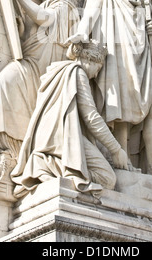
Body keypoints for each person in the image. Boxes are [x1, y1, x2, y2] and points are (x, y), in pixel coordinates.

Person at [66, 0, 152, 182]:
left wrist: (150, 31)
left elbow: (144, 36)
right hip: (115, 58)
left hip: (141, 60)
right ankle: (121, 159)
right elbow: (89, 17)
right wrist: (82, 33)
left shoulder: (139, 4)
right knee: (120, 110)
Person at [0, 0, 80, 201]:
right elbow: (34, 31)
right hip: (32, 61)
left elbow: (45, 19)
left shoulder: (62, 5)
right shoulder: (43, 5)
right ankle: (17, 158)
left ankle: (24, 164)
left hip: (48, 68)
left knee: (9, 82)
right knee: (5, 80)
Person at [11, 40, 129, 198]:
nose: (96, 74)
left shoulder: (59, 70)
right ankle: (43, 164)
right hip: (61, 137)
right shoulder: (77, 72)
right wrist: (116, 150)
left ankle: (45, 163)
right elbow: (91, 117)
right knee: (107, 179)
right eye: (98, 68)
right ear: (90, 60)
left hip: (48, 137)